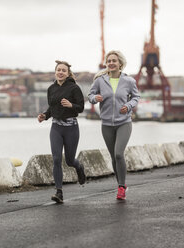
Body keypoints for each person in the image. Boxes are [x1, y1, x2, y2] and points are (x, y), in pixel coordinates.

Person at [88, 50, 140, 200]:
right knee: (113, 157)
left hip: (124, 122)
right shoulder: (100, 81)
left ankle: (122, 186)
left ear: (120, 64)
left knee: (118, 154)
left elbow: (136, 97)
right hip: (106, 124)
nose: (111, 63)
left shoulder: (129, 81)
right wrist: (94, 98)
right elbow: (90, 95)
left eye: (114, 61)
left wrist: (129, 105)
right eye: (109, 61)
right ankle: (120, 185)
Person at [38, 60, 86, 204]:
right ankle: (59, 192)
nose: (60, 72)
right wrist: (44, 116)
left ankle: (79, 167)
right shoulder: (51, 89)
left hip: (71, 127)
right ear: (55, 72)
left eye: (63, 70)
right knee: (57, 158)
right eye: (58, 70)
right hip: (56, 128)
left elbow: (81, 107)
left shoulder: (74, 88)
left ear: (67, 73)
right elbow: (51, 109)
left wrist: (71, 105)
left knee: (70, 160)